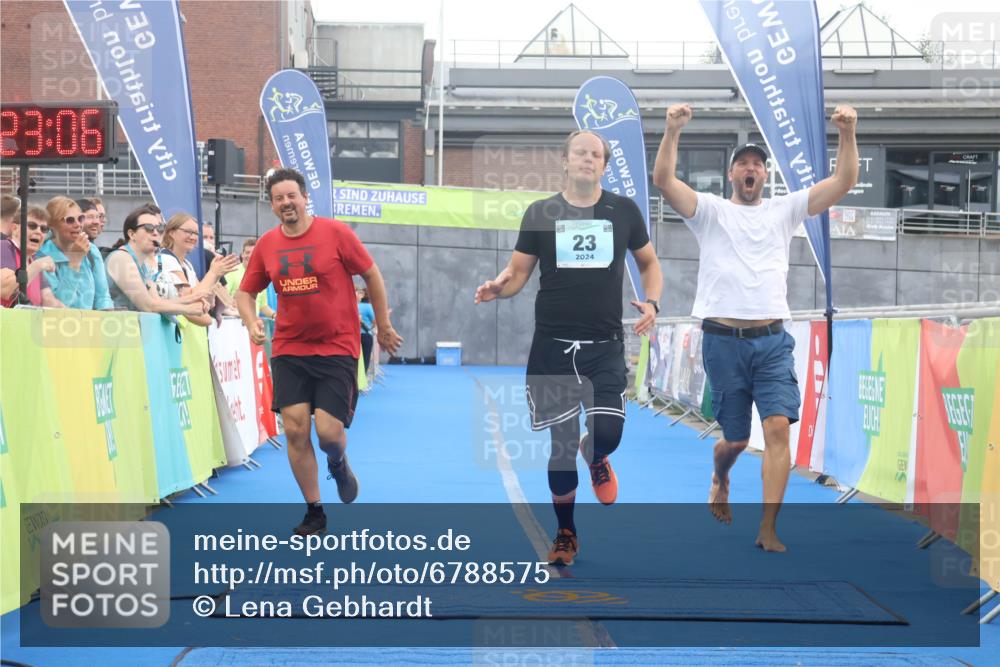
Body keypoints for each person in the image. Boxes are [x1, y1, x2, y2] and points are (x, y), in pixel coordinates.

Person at [652, 103, 859, 552]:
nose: (751, 169)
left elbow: (843, 181)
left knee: (778, 427)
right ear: (732, 174)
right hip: (722, 341)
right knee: (736, 439)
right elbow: (664, 181)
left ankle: (768, 528)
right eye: (743, 163)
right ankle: (721, 476)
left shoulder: (785, 209)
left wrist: (847, 133)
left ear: (765, 175)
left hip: (771, 341)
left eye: (757, 164)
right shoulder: (709, 211)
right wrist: (672, 130)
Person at [474, 129, 662, 566]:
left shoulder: (624, 211)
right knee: (560, 444)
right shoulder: (541, 213)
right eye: (580, 152)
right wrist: (499, 288)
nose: (587, 159)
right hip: (552, 348)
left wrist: (652, 302)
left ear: (604, 165)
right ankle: (566, 533)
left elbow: (649, 263)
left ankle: (595, 455)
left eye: (596, 154)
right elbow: (518, 272)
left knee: (607, 435)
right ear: (564, 160)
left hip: (604, 347)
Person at [235, 168, 403, 536]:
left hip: (336, 346)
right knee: (296, 430)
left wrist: (384, 325)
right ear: (272, 204)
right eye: (278, 198)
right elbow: (245, 292)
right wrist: (250, 320)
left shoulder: (336, 233)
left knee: (328, 433)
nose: (286, 203)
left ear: (305, 197)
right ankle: (314, 511)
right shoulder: (267, 244)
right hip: (290, 348)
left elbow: (372, 274)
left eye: (291, 195)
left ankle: (338, 463)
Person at [104, 205, 209, 317]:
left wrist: (191, 299)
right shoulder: (121, 258)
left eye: (159, 228)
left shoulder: (142, 265)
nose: (156, 233)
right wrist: (188, 309)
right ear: (132, 234)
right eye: (148, 228)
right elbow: (147, 306)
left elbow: (157, 302)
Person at [157, 213, 240, 326]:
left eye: (196, 233)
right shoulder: (166, 259)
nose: (193, 237)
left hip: (189, 333)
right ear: (171, 232)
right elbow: (190, 300)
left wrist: (216, 276)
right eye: (188, 231)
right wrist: (213, 273)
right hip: (177, 329)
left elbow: (208, 303)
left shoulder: (187, 265)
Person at [37, 196, 114, 310]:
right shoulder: (41, 256)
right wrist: (75, 261)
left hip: (91, 320)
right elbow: (58, 306)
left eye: (80, 218)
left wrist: (108, 319)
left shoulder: (91, 250)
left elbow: (103, 298)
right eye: (70, 220)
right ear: (52, 225)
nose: (78, 224)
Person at [0, 206, 63, 308]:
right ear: (15, 228)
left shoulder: (33, 261)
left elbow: (49, 300)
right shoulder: (3, 248)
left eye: (44, 229)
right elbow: (6, 291)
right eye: (32, 226)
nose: (38, 231)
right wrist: (37, 266)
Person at [227, 238, 275, 319]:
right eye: (247, 252)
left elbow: (263, 306)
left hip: (254, 323)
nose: (249, 256)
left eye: (253, 253)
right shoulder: (232, 272)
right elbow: (222, 297)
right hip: (237, 322)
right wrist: (233, 305)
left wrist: (274, 315)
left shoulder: (261, 276)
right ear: (242, 254)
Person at [356, 284, 375, 372]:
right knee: (365, 360)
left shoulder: (355, 305)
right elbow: (374, 321)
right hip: (366, 335)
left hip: (354, 336)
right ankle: (363, 377)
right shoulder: (368, 307)